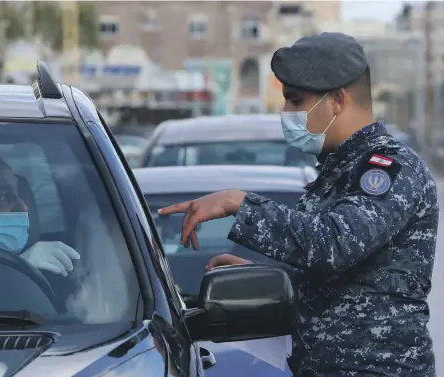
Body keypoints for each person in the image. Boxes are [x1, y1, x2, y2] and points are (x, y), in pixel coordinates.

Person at [158, 32, 438, 376]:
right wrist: (270, 278)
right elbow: (341, 279)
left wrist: (240, 204)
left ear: (336, 100)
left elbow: (335, 244)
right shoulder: (339, 170)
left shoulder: (389, 169)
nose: (285, 112)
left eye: (294, 101)